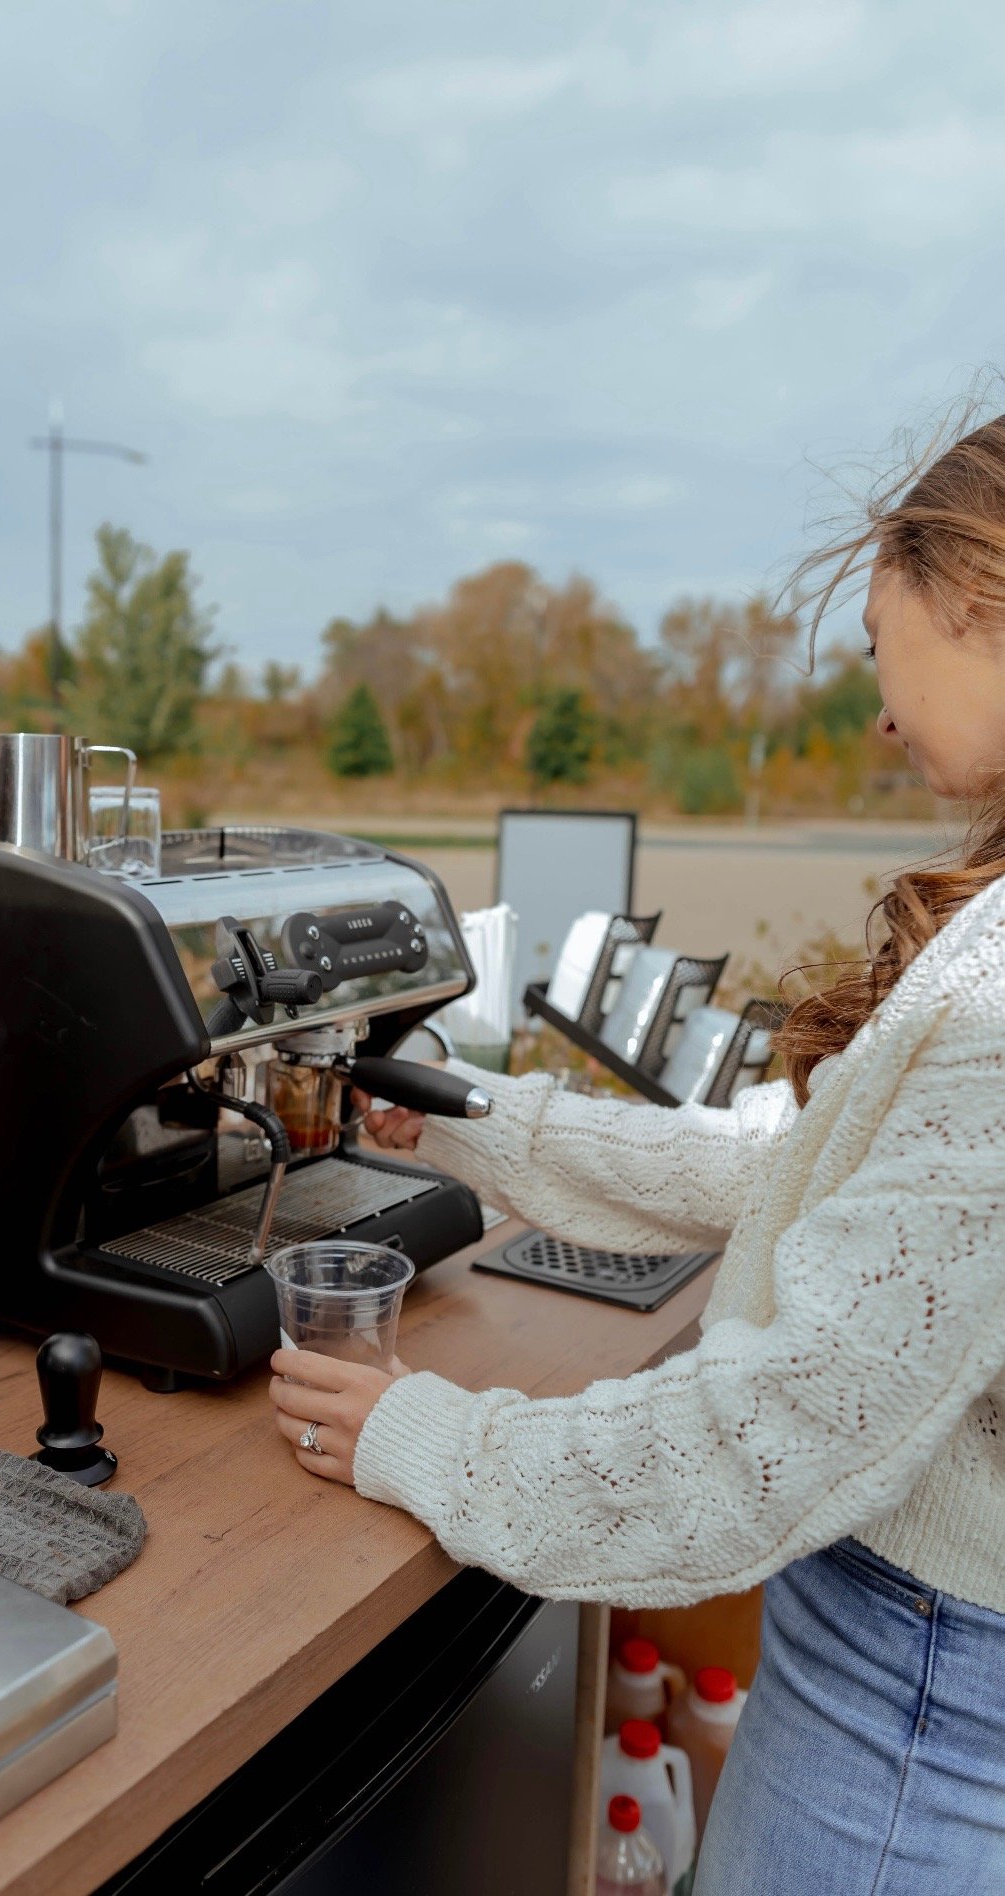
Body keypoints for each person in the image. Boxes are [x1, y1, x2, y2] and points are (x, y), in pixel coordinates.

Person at [268, 411, 1005, 1892]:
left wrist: (431, 1437)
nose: (875, 710)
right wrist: (479, 1127)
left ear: (976, 596)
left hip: (919, 1699)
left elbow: (779, 1431)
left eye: (876, 645)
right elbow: (782, 1180)